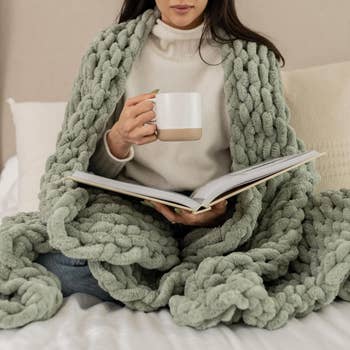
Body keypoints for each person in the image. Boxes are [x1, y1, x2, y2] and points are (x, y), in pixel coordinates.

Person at [34, 0, 285, 303]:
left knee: (286, 250)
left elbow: (269, 170)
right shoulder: (109, 51)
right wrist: (118, 139)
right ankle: (190, 280)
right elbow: (78, 170)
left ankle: (160, 279)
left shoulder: (253, 59)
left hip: (222, 220)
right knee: (68, 263)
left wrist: (222, 212)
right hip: (133, 214)